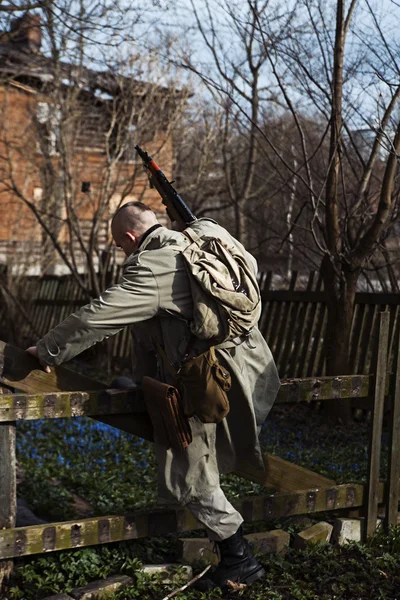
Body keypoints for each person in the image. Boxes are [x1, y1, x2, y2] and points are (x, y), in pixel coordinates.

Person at [27, 202, 280, 591]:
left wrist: (46, 350)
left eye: (121, 247)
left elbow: (99, 316)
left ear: (130, 239)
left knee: (188, 475)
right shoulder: (208, 237)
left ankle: (238, 559)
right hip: (249, 368)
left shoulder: (155, 265)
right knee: (198, 462)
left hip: (201, 382)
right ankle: (231, 555)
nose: (124, 254)